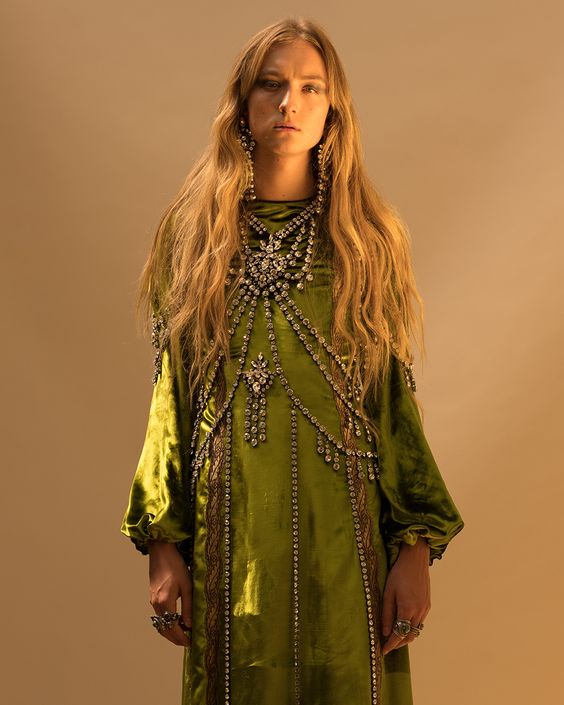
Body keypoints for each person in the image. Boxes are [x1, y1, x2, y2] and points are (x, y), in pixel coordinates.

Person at [120, 16, 464, 705]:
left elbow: (393, 402)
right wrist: (163, 542)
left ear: (333, 108)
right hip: (232, 529)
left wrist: (415, 548)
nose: (289, 103)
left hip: (346, 535)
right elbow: (171, 396)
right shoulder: (194, 238)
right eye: (271, 85)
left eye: (311, 87)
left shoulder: (365, 241)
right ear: (242, 102)